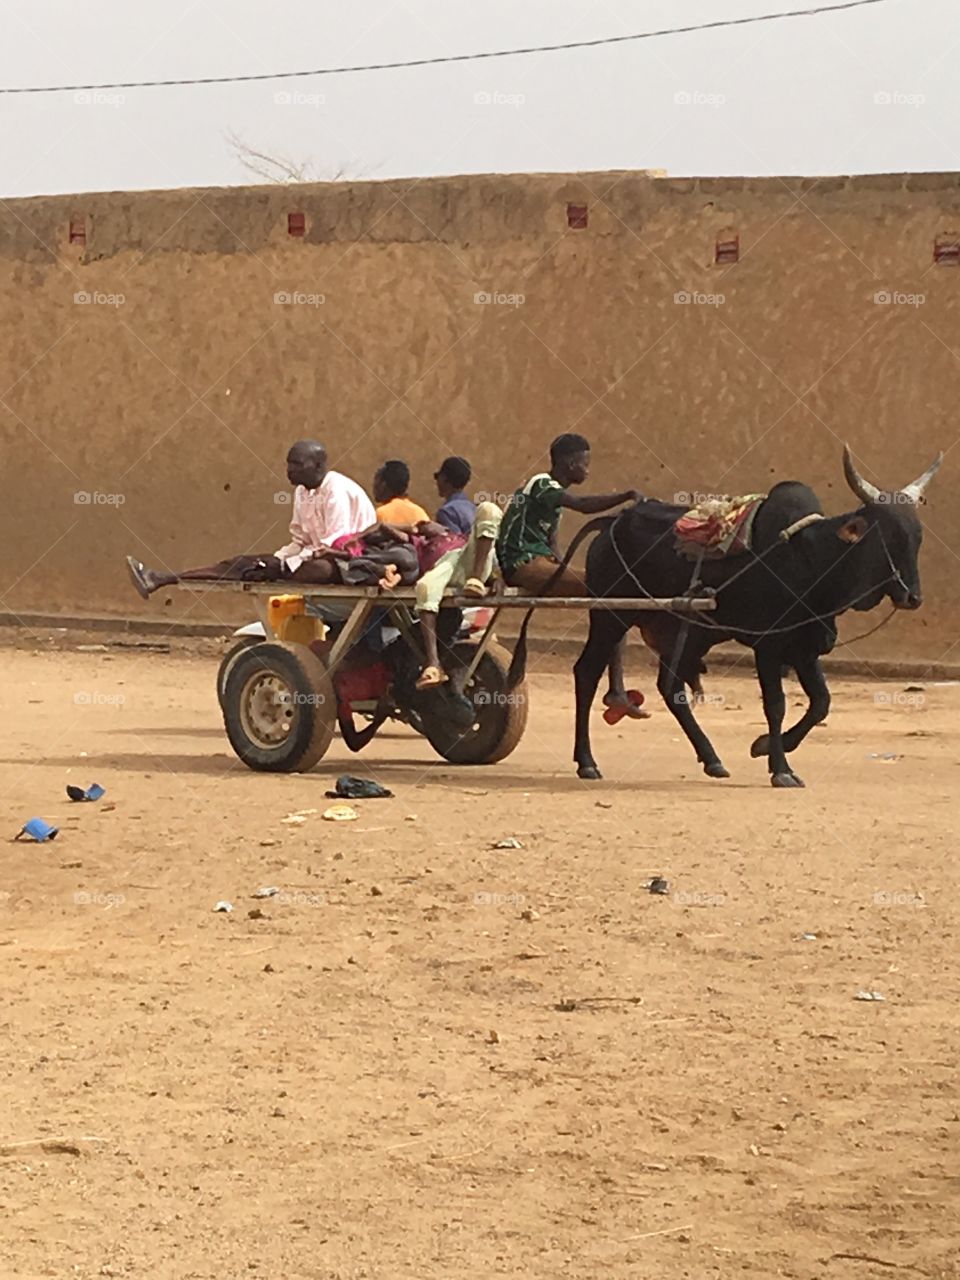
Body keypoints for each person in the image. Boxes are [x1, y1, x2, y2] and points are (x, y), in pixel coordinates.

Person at [497, 432, 648, 719]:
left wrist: (562, 566)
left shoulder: (551, 501)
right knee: (612, 592)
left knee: (613, 598)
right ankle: (615, 690)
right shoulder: (541, 484)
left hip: (539, 561)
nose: (587, 470)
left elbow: (553, 544)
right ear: (568, 463)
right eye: (584, 464)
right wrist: (625, 496)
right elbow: (582, 505)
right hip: (523, 564)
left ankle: (616, 688)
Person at [125, 440, 377, 596]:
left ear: (319, 466)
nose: (289, 470)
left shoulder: (337, 489)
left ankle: (162, 578)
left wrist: (285, 566)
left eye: (297, 464)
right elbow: (299, 541)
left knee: (316, 569)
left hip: (350, 565)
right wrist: (278, 560)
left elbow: (334, 544)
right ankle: (161, 578)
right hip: (310, 559)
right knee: (244, 564)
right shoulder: (302, 492)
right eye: (289, 464)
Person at [414, 502, 502, 688]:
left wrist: (496, 578)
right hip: (452, 562)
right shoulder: (440, 542)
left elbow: (496, 567)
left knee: (489, 510)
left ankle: (476, 578)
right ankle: (433, 664)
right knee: (425, 587)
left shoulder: (490, 553)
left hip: (469, 564)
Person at [373, 459, 430, 526]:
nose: (374, 485)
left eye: (376, 479)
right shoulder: (420, 513)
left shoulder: (381, 514)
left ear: (383, 485)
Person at [434, 456, 477, 534]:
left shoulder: (446, 513)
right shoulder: (474, 509)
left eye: (437, 477)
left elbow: (453, 543)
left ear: (444, 479)